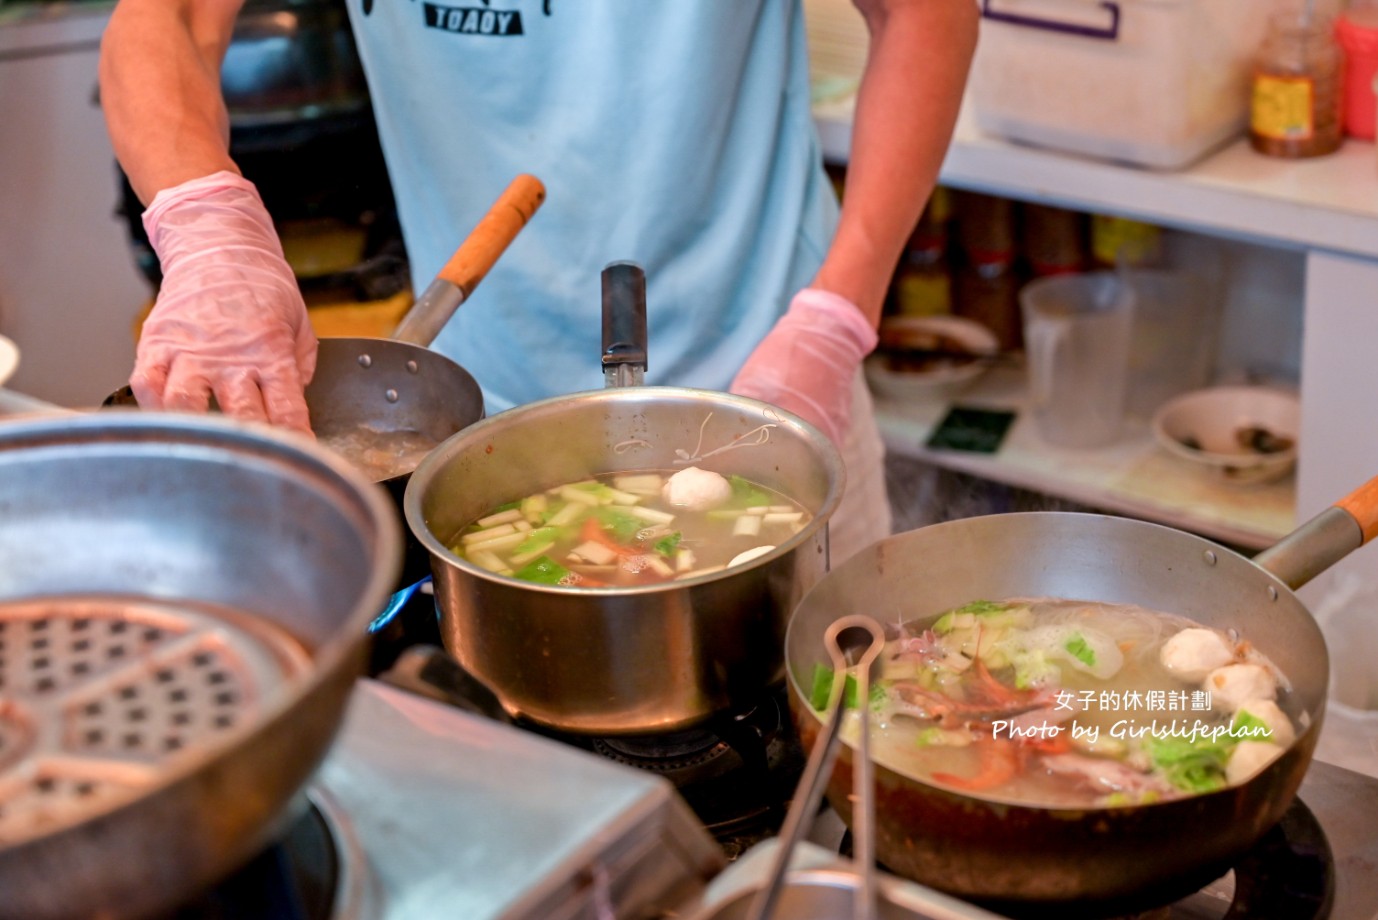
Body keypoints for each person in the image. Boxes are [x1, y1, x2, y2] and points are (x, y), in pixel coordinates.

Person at [98, 0, 978, 563]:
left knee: (832, 741)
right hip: (477, 412)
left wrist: (837, 315)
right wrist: (206, 221)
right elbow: (166, 18)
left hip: (776, 374)